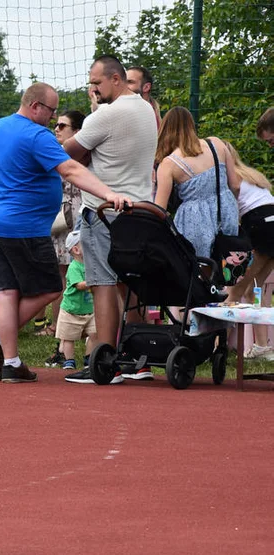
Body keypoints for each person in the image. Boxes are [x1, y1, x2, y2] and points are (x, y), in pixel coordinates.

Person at [0, 81, 129, 383]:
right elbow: (70, 170)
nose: (52, 119)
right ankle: (0, 341)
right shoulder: (36, 135)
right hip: (22, 226)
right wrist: (109, 193)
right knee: (51, 288)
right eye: (51, 111)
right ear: (35, 106)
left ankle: (11, 362)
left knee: (8, 290)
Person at [62, 55, 159, 384]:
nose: (93, 88)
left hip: (104, 210)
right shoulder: (145, 108)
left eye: (97, 82)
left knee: (102, 283)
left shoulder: (106, 114)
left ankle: (104, 362)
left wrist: (92, 119)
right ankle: (139, 358)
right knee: (127, 283)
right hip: (138, 209)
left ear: (116, 79)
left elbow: (67, 153)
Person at [153, 107, 239, 259]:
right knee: (227, 263)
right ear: (192, 125)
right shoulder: (216, 144)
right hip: (225, 210)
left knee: (199, 268)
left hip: (194, 220)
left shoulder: (169, 163)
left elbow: (160, 209)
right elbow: (236, 185)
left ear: (166, 130)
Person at [44, 109, 87, 359]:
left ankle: (85, 332)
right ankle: (62, 338)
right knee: (62, 277)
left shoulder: (83, 155)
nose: (57, 129)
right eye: (56, 125)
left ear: (77, 132)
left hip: (79, 217)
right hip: (60, 221)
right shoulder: (53, 152)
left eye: (63, 126)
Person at [225, 145, 274, 316]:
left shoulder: (231, 179)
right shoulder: (251, 175)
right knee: (254, 290)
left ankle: (218, 342)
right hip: (271, 220)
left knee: (234, 292)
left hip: (259, 225)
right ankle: (262, 343)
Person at [55, 233, 96, 373]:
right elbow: (79, 285)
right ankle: (69, 360)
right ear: (76, 250)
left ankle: (89, 358)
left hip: (89, 310)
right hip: (71, 310)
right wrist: (94, 282)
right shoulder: (74, 267)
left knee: (94, 333)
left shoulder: (91, 265)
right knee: (68, 337)